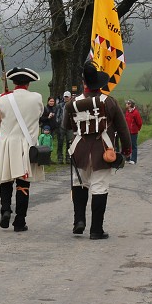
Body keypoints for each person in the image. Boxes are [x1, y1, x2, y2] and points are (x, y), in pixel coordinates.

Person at [64, 62, 131, 239]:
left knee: (79, 184)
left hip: (78, 150)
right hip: (103, 150)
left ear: (84, 82)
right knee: (99, 187)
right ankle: (96, 230)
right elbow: (123, 129)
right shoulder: (109, 101)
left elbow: (66, 126)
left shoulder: (72, 103)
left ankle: (79, 221)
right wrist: (127, 149)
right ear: (99, 84)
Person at [0, 68, 44, 231]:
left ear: (14, 83)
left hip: (7, 143)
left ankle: (5, 210)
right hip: (26, 145)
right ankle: (20, 220)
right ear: (28, 83)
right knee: (23, 184)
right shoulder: (37, 98)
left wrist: (6, 131)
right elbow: (39, 115)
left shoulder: (4, 98)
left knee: (5, 180)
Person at [55, 90, 75, 164]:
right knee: (60, 142)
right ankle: (60, 158)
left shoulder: (73, 106)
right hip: (61, 127)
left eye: (67, 97)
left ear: (70, 97)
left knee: (69, 142)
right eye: (65, 97)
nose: (66, 98)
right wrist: (58, 123)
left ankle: (68, 157)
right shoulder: (59, 105)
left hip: (70, 127)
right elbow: (57, 115)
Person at [124, 99, 143, 164]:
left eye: (127, 103)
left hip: (133, 132)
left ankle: (133, 159)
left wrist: (137, 129)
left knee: (133, 145)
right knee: (127, 145)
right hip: (127, 131)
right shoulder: (127, 112)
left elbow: (139, 122)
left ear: (130, 105)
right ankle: (127, 158)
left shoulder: (135, 113)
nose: (126, 104)